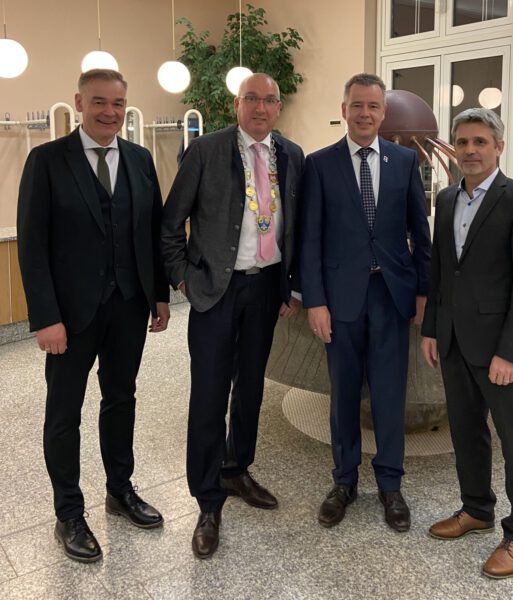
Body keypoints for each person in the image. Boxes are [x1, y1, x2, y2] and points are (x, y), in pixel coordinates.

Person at [17, 69, 170, 563]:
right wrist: (45, 317)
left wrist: (159, 296)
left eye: (118, 103)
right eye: (99, 102)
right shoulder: (46, 161)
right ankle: (68, 512)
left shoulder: (140, 160)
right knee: (64, 413)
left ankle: (120, 490)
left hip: (128, 305)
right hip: (70, 314)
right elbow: (32, 246)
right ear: (79, 103)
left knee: (121, 399)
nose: (109, 112)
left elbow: (152, 232)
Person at [161, 73, 304, 559]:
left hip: (266, 288)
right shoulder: (205, 151)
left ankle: (237, 469)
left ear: (278, 107)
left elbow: (297, 226)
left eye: (269, 100)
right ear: (236, 105)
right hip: (215, 292)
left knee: (251, 389)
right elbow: (170, 223)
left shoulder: (291, 156)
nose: (260, 108)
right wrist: (184, 280)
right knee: (209, 395)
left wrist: (291, 285)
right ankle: (208, 501)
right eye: (251, 99)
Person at [420, 107, 513, 579]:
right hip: (454, 341)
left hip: (500, 351)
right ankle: (476, 509)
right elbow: (440, 273)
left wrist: (510, 353)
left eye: (480, 141)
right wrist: (432, 328)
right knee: (465, 431)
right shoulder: (447, 198)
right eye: (462, 142)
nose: (470, 150)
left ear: (499, 147)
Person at [300, 73, 431, 532]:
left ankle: (390, 485)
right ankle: (344, 482)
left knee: (390, 394)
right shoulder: (319, 164)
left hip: (391, 296)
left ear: (383, 113)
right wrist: (315, 301)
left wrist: (422, 291)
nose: (364, 113)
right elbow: (310, 239)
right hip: (340, 300)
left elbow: (420, 231)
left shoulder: (404, 161)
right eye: (357, 105)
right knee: (343, 395)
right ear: (344, 109)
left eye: (373, 106)